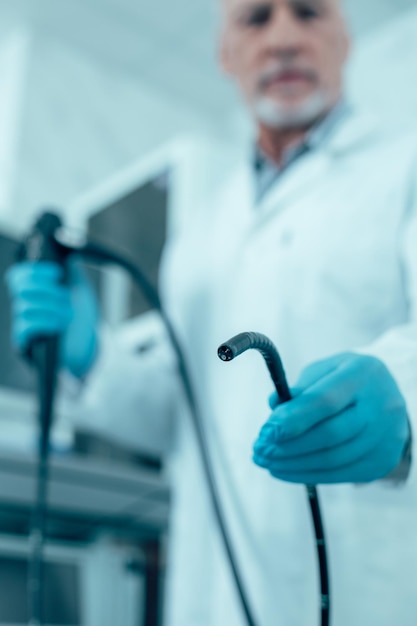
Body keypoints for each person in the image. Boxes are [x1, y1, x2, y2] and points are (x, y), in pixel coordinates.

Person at [6, 0, 417, 624]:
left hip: (363, 582)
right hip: (207, 586)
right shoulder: (200, 231)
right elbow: (181, 410)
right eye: (256, 19)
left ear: (344, 38)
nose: (283, 38)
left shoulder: (402, 168)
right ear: (226, 54)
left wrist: (405, 397)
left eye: (308, 13)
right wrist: (95, 358)